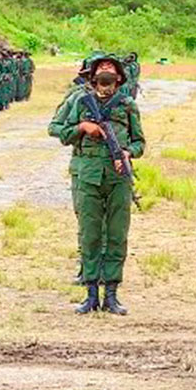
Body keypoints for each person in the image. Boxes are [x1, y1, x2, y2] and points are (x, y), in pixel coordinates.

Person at [49, 54, 144, 315]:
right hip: (88, 175)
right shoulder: (80, 101)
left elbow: (140, 143)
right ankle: (91, 293)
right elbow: (57, 130)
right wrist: (82, 127)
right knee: (90, 235)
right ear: (92, 77)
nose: (106, 75)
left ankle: (111, 295)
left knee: (116, 235)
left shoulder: (126, 105)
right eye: (101, 70)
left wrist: (127, 153)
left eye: (111, 70)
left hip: (118, 178)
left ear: (119, 77)